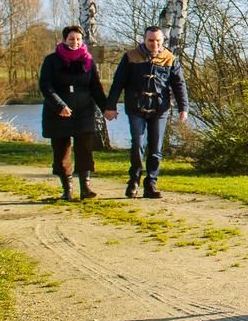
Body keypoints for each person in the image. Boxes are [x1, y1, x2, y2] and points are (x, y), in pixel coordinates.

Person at [106, 26, 188, 200]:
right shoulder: (130, 57)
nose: (154, 44)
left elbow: (179, 85)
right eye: (151, 40)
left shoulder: (170, 58)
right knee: (138, 144)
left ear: (162, 41)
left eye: (158, 40)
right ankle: (134, 180)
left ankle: (151, 183)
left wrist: (183, 108)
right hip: (136, 108)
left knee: (156, 148)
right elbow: (118, 83)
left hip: (160, 109)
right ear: (144, 40)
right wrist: (111, 106)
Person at [39, 26, 112, 201]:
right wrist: (60, 106)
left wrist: (106, 109)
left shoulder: (88, 61)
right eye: (71, 39)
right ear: (64, 40)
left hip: (84, 111)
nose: (75, 42)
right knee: (61, 151)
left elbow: (95, 88)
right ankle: (67, 189)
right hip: (58, 113)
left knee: (85, 150)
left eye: (78, 39)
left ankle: (85, 188)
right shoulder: (51, 61)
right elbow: (46, 86)